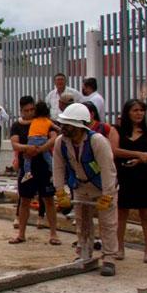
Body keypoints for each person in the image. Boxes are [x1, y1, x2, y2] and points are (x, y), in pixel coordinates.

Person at [53, 103, 119, 276]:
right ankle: (84, 253)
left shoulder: (97, 141)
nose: (63, 127)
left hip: (102, 186)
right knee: (82, 222)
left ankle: (109, 258)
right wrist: (60, 192)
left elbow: (108, 170)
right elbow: (58, 168)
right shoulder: (61, 142)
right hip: (80, 186)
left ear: (78, 126)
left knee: (108, 223)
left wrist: (107, 195)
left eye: (67, 124)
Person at [9, 98, 60, 245]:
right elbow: (14, 144)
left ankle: (53, 234)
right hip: (27, 168)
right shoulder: (16, 126)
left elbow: (54, 138)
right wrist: (27, 149)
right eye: (26, 110)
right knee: (24, 200)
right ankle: (21, 234)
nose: (30, 113)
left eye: (32, 110)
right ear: (21, 111)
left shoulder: (43, 121)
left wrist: (40, 149)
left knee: (49, 199)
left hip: (44, 166)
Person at [110, 99, 147, 263]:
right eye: (135, 110)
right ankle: (119, 247)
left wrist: (142, 159)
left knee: (146, 214)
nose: (139, 113)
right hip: (124, 175)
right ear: (127, 112)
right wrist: (137, 154)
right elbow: (114, 150)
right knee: (121, 213)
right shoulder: (117, 130)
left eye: (141, 110)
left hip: (145, 176)